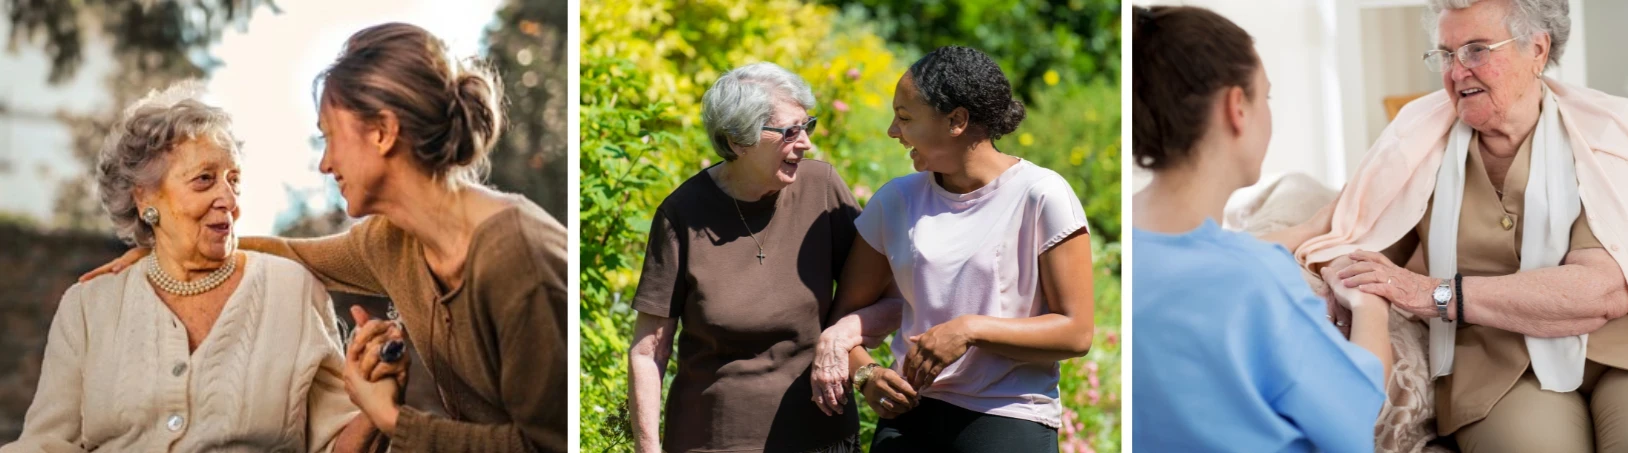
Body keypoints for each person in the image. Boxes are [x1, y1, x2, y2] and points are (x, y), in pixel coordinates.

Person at [80, 23, 569, 452]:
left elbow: (551, 444)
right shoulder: (391, 241)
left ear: (382, 132)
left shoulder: (518, 259)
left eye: (329, 136)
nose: (325, 163)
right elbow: (293, 254)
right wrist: (167, 246)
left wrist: (391, 418)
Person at [1296, 0, 1628, 450]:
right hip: (1496, 362)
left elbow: (1601, 292)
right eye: (1446, 54)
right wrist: (1352, 279)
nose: (1457, 71)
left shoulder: (1608, 131)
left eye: (1476, 50)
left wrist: (1432, 293)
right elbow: (1357, 237)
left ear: (1537, 49)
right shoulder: (1419, 139)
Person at [2, 83, 389, 452]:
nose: (229, 199)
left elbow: (336, 445)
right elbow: (47, 443)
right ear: (145, 198)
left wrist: (376, 408)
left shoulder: (293, 291)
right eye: (204, 180)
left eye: (234, 180)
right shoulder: (88, 306)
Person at [1128, 5, 1395, 452]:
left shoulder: (1134, 244)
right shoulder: (1256, 283)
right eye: (1265, 97)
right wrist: (1373, 306)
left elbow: (1203, 259)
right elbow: (1358, 405)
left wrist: (1307, 229)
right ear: (1237, 107)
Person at [810, 45, 1094, 453]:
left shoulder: (1042, 195)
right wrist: (867, 375)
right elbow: (846, 318)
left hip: (1007, 414)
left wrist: (969, 330)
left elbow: (1076, 332)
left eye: (905, 118)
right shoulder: (896, 201)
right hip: (908, 417)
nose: (893, 131)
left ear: (956, 120)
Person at [624, 62, 874, 453]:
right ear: (738, 141)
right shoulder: (682, 215)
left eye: (806, 126)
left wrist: (841, 339)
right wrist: (647, 448)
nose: (805, 143)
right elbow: (648, 351)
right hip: (713, 439)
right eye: (789, 132)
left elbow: (882, 293)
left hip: (820, 435)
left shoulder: (822, 189)